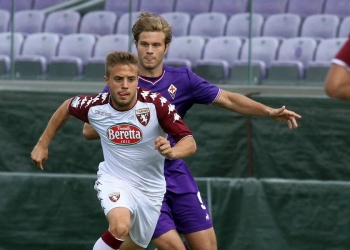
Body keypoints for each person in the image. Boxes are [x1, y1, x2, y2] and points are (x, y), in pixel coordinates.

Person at [83, 12, 302, 250]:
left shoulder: (183, 79)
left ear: (166, 47)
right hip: (139, 179)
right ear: (136, 45)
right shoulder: (123, 83)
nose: (149, 50)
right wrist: (132, 125)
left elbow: (228, 99)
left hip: (175, 172)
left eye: (156, 44)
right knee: (173, 247)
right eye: (144, 44)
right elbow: (88, 130)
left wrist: (269, 112)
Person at [31, 51, 197, 250]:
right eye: (118, 79)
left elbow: (189, 142)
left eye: (131, 79)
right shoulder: (95, 106)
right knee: (119, 226)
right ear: (107, 81)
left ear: (138, 80)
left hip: (151, 189)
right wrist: (42, 143)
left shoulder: (157, 104)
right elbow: (67, 106)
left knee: (136, 244)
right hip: (115, 179)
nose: (125, 85)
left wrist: (173, 151)